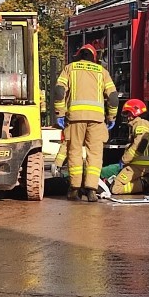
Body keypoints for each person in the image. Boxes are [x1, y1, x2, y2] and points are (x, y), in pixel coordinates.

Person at [53, 44, 118, 201]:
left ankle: (74, 189)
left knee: (74, 152)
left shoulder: (69, 68)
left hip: (75, 118)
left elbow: (59, 91)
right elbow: (114, 97)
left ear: (78, 55)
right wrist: (111, 117)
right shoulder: (102, 72)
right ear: (94, 58)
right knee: (95, 155)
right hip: (96, 120)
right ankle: (91, 190)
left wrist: (59, 113)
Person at [112, 99, 149, 195]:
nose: (127, 117)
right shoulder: (140, 124)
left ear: (135, 112)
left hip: (139, 164)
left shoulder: (141, 123)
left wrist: (124, 160)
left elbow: (140, 144)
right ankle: (145, 182)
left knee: (116, 188)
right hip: (141, 164)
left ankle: (147, 183)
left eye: (128, 113)